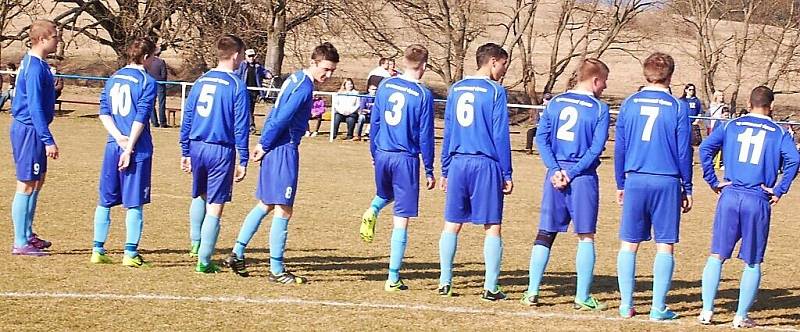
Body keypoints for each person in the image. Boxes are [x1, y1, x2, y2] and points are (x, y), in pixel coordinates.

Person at [225, 42, 339, 282]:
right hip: (283, 148)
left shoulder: (295, 78)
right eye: (326, 69)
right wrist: (264, 144)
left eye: (332, 71)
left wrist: (263, 144)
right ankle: (277, 270)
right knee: (284, 209)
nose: (328, 75)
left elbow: (275, 113)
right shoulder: (304, 87)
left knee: (265, 203)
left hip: (274, 145)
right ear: (314, 62)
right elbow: (282, 117)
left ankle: (237, 252)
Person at [697, 86, 799, 329]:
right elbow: (794, 159)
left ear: (748, 102)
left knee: (717, 255)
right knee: (752, 261)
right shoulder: (779, 131)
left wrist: (713, 180)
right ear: (771, 106)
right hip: (757, 198)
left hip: (730, 195)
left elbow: (704, 148)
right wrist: (779, 189)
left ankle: (706, 311)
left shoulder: (732, 124)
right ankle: (740, 316)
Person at [522, 58, 610, 310]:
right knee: (585, 236)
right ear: (595, 80)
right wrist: (571, 173)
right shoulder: (599, 109)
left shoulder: (555, 102)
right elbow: (596, 148)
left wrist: (554, 168)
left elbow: (541, 138)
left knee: (545, 233)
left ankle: (532, 292)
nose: (605, 87)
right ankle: (582, 297)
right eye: (604, 81)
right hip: (581, 177)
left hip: (554, 175)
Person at [614, 52, 693, 320]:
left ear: (644, 74)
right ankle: (658, 307)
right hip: (666, 180)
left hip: (635, 179)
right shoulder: (678, 106)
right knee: (665, 245)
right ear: (670, 75)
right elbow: (684, 151)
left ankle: (626, 304)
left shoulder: (629, 103)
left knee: (629, 244)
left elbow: (620, 147)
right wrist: (688, 186)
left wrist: (620, 182)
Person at [438, 43, 513, 301]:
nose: (504, 70)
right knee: (492, 226)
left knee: (452, 224)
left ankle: (444, 281)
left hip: (458, 162)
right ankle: (490, 287)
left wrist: (445, 169)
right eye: (504, 64)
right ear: (493, 62)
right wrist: (507, 172)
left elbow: (448, 130)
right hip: (485, 163)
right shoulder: (495, 92)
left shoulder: (456, 89)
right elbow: (500, 134)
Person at [358, 44, 435, 291]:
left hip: (382, 152)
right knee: (401, 219)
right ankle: (393, 278)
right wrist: (430, 168)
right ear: (423, 66)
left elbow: (376, 121)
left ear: (403, 62)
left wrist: (373, 152)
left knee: (386, 193)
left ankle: (372, 208)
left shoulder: (385, 85)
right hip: (405, 157)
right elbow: (425, 135)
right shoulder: (423, 95)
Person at [180, 34, 250, 273]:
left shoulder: (201, 81)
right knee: (215, 205)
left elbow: (187, 116)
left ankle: (195, 243)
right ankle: (204, 260)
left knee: (198, 195)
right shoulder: (237, 85)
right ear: (236, 54)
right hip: (220, 150)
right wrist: (244, 157)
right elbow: (241, 125)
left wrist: (185, 149)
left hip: (197, 145)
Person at [90, 38, 158, 267]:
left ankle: (97, 249)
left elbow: (103, 112)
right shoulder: (147, 81)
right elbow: (141, 117)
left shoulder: (114, 77)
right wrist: (128, 147)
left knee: (105, 201)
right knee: (135, 202)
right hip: (136, 149)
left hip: (112, 145)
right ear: (146, 57)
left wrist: (117, 137)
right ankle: (130, 253)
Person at [8, 20, 61, 256]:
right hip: (29, 129)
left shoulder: (40, 65)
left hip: (34, 129)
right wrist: (47, 139)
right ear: (42, 39)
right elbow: (34, 107)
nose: (58, 41)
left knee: (38, 180)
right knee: (27, 183)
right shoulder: (33, 66)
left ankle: (28, 233)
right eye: (55, 37)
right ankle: (20, 241)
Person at [235, 48, 271, 134]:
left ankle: (249, 127)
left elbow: (264, 72)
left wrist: (268, 74)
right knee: (246, 109)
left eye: (253, 56)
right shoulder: (242, 66)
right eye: (249, 56)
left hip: (254, 92)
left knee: (250, 109)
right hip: (244, 91)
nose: (251, 58)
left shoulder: (257, 67)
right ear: (246, 57)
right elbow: (236, 74)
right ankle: (250, 126)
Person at [145, 45, 168, 128]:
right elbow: (164, 75)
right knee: (161, 103)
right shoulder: (161, 62)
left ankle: (154, 122)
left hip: (150, 84)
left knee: (151, 103)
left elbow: (146, 73)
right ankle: (163, 122)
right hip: (160, 84)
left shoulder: (147, 61)